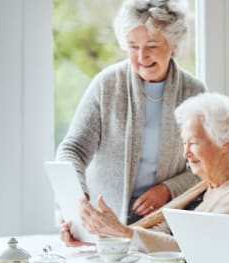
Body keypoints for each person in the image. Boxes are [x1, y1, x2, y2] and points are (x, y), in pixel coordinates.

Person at [56, 0, 206, 225]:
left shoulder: (194, 92)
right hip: (105, 218)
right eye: (133, 47)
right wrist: (78, 201)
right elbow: (72, 149)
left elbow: (207, 165)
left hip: (165, 220)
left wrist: (168, 189)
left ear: (173, 44)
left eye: (152, 46)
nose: (142, 56)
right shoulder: (106, 85)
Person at [61, 92, 229, 253]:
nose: (186, 153)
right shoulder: (201, 188)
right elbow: (157, 232)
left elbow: (193, 248)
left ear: (225, 142)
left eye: (193, 143)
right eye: (184, 143)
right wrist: (95, 236)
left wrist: (122, 232)